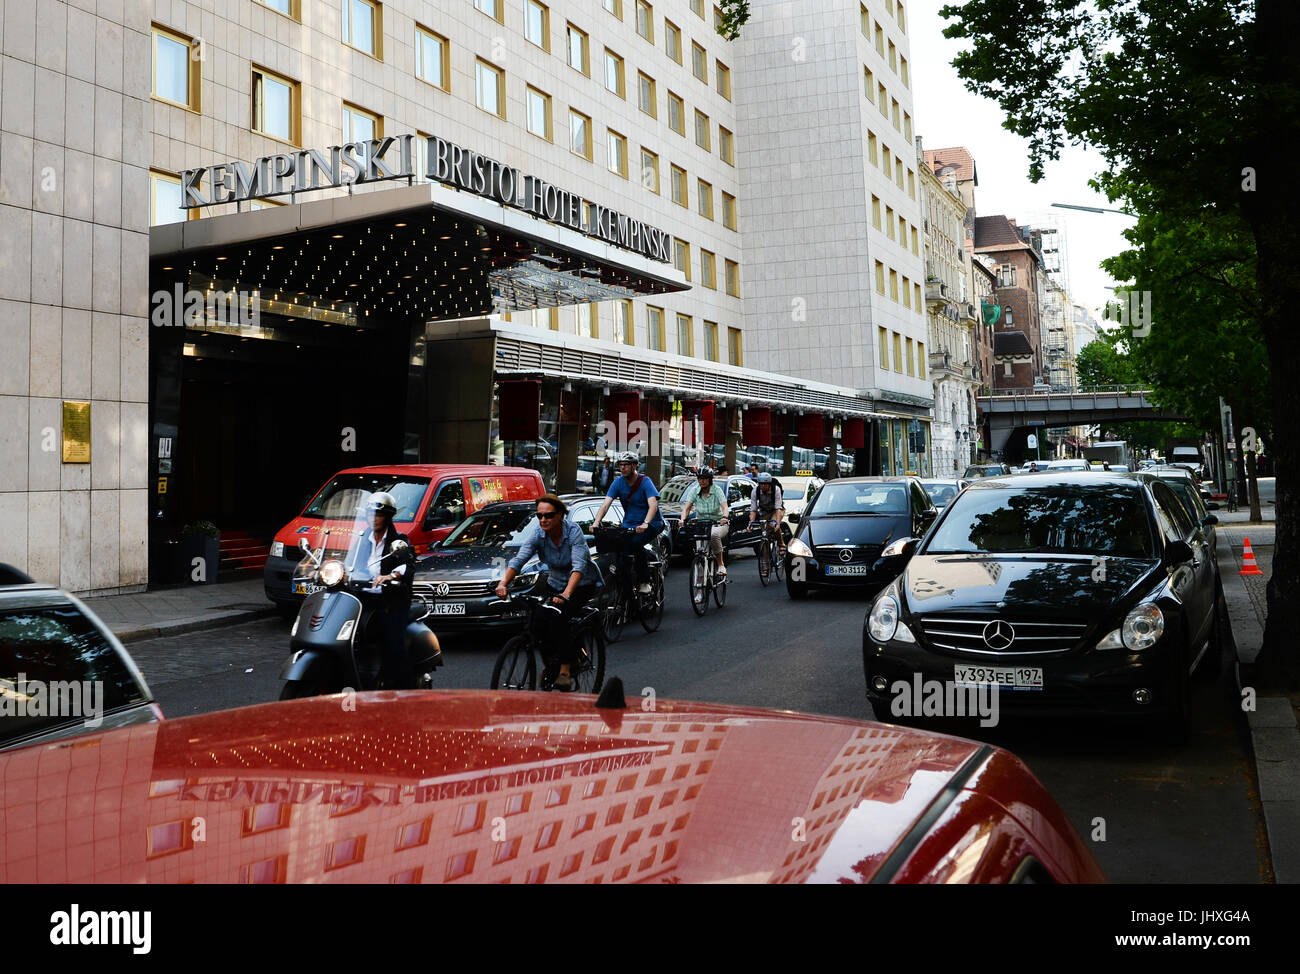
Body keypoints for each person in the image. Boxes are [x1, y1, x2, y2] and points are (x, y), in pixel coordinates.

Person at [495, 494, 595, 691]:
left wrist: (566, 594)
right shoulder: (538, 534)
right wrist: (503, 583)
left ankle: (565, 671)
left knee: (560, 618)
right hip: (555, 582)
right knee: (537, 623)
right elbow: (519, 559)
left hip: (581, 584)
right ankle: (552, 666)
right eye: (539, 516)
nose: (543, 520)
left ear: (560, 515)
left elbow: (579, 566)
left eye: (548, 516)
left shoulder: (573, 532)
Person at [347, 492, 416, 688]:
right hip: (363, 602)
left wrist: (390, 576)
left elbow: (407, 565)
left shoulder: (398, 540)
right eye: (370, 514)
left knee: (394, 647)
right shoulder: (361, 541)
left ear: (388, 517)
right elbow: (350, 563)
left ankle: (405, 691)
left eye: (378, 514)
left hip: (391, 602)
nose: (373, 518)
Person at [594, 452, 664, 594]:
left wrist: (645, 523)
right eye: (621, 465)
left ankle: (644, 581)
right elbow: (606, 504)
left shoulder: (645, 481)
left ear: (635, 466)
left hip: (652, 523)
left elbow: (653, 506)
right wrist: (596, 522)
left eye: (626, 465)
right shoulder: (618, 482)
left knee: (636, 544)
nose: (623, 468)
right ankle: (627, 586)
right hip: (630, 524)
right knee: (620, 552)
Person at [679, 467, 730, 577]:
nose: (701, 481)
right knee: (700, 553)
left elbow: (725, 507)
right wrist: (682, 519)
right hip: (702, 524)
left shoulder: (717, 490)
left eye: (705, 479)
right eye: (700, 479)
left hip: (718, 523)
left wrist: (725, 517)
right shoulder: (694, 490)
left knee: (714, 535)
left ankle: (721, 564)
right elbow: (686, 508)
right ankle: (700, 589)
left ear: (710, 480)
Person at [749, 472, 786, 558]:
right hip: (764, 512)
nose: (762, 486)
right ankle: (765, 567)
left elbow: (778, 508)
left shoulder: (776, 489)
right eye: (760, 484)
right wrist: (751, 523)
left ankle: (781, 544)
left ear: (769, 484)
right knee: (764, 535)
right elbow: (753, 509)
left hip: (776, 510)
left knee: (773, 525)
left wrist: (778, 523)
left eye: (765, 484)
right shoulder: (755, 491)